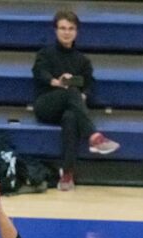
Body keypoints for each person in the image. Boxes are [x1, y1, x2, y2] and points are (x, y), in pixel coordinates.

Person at [32, 9, 120, 191]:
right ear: (56, 30)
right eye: (63, 28)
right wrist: (56, 82)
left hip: (71, 108)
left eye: (70, 28)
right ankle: (95, 137)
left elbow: (89, 84)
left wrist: (83, 95)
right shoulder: (45, 54)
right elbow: (39, 72)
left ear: (76, 32)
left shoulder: (83, 60)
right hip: (46, 105)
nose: (66, 32)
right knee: (71, 90)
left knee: (71, 117)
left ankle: (67, 175)